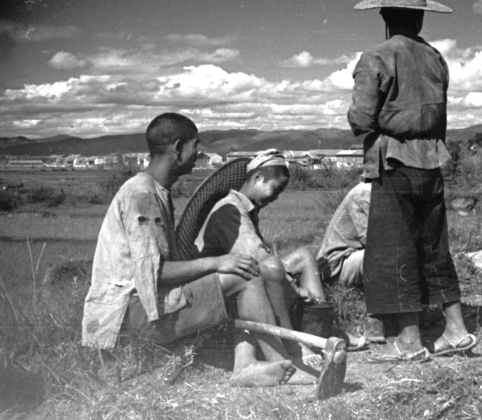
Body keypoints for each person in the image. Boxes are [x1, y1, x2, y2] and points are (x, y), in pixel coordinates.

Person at [81, 113, 295, 387]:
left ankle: (247, 363)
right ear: (178, 148)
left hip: (143, 308)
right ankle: (283, 360)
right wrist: (217, 262)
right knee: (245, 274)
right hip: (130, 317)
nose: (198, 154)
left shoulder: (155, 191)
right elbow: (153, 274)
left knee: (242, 270)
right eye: (196, 145)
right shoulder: (142, 195)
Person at [348, 0, 477, 362]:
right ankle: (456, 329)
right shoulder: (436, 58)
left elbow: (361, 119)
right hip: (432, 161)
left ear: (385, 17)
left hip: (395, 163)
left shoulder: (376, 56)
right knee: (434, 245)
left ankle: (407, 340)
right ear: (420, 18)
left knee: (395, 248)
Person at [195, 149, 365, 373]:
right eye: (275, 190)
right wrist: (293, 286)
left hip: (242, 273)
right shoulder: (231, 210)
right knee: (273, 268)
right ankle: (295, 345)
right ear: (257, 178)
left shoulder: (246, 207)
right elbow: (257, 258)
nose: (275, 198)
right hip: (221, 286)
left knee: (304, 257)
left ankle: (322, 330)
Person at [315, 181, 386, 343]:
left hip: (354, 257)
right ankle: (374, 317)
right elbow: (372, 239)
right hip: (339, 265)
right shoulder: (362, 194)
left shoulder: (382, 193)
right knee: (381, 252)